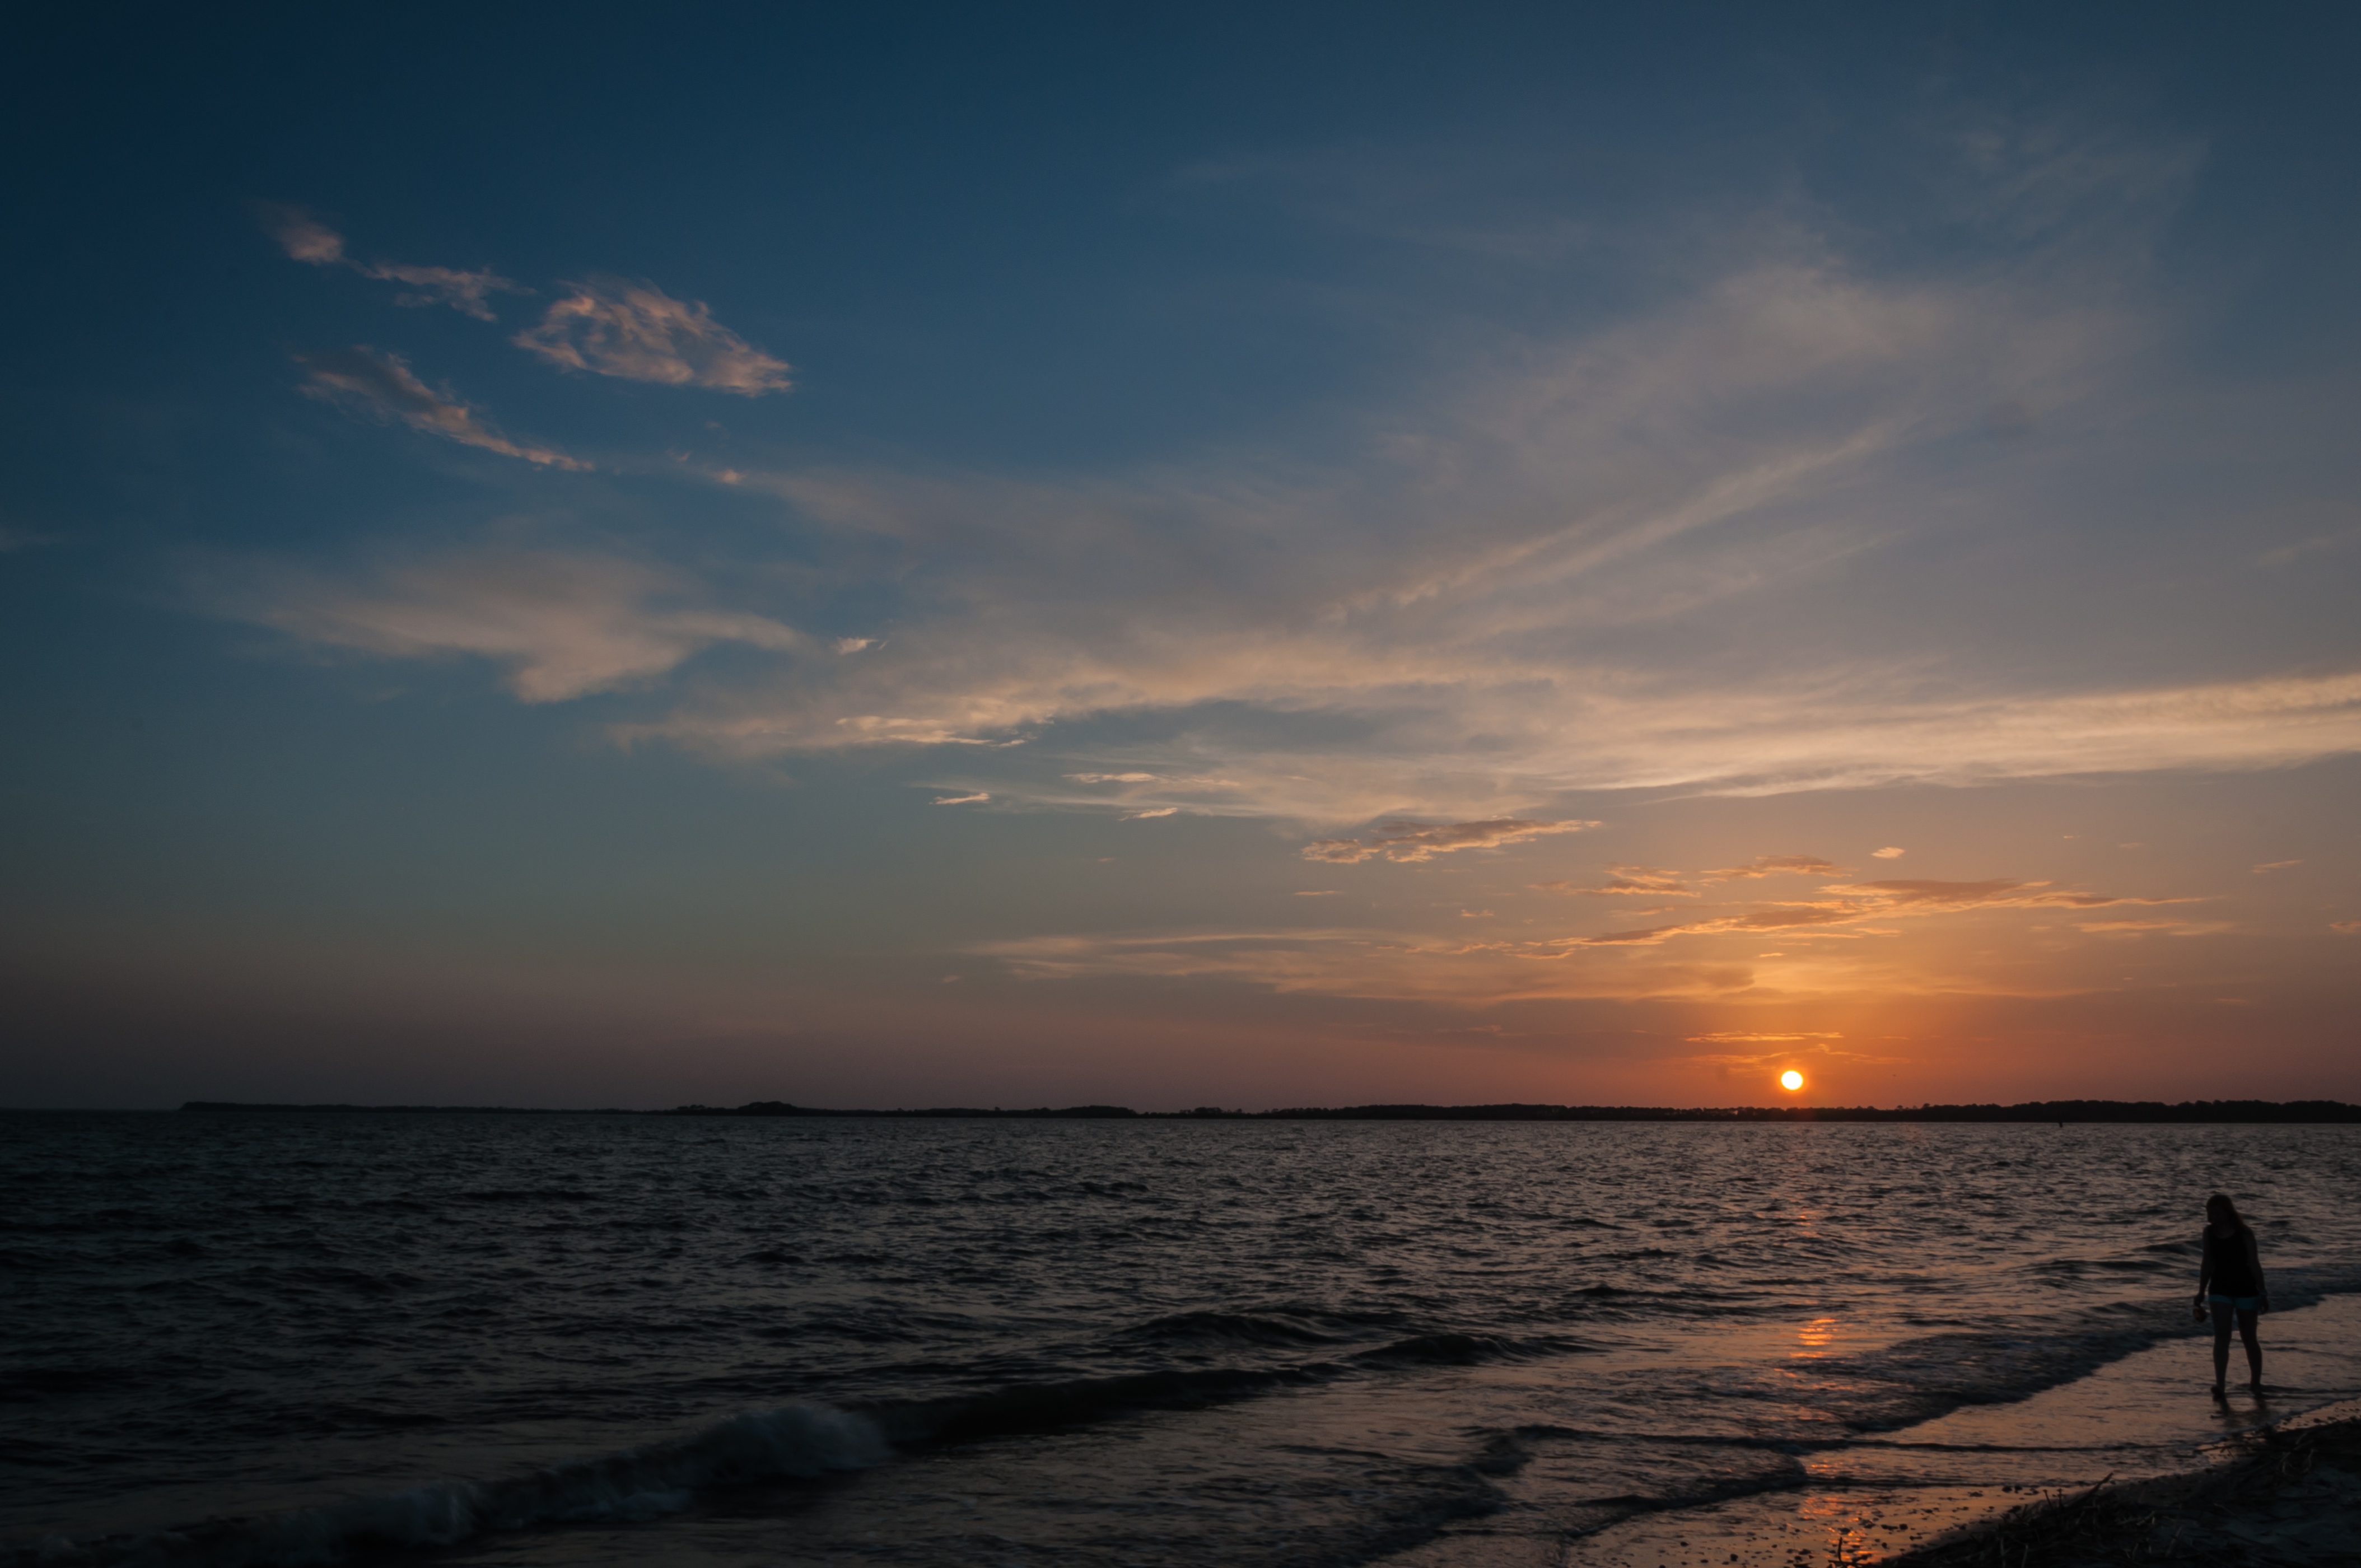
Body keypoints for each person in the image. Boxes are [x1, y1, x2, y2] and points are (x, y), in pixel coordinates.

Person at [2194, 1192, 2269, 1397]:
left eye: (2218, 1213)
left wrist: (2263, 1293)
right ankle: (2221, 1385)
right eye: (2210, 1213)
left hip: (2246, 1289)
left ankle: (2255, 1383)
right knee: (2222, 1335)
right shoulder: (2208, 1233)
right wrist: (2201, 1290)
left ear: (2228, 1212)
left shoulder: (2244, 1233)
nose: (2214, 1217)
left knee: (2248, 1337)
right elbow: (2207, 1262)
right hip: (2219, 1289)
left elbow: (2254, 1264)